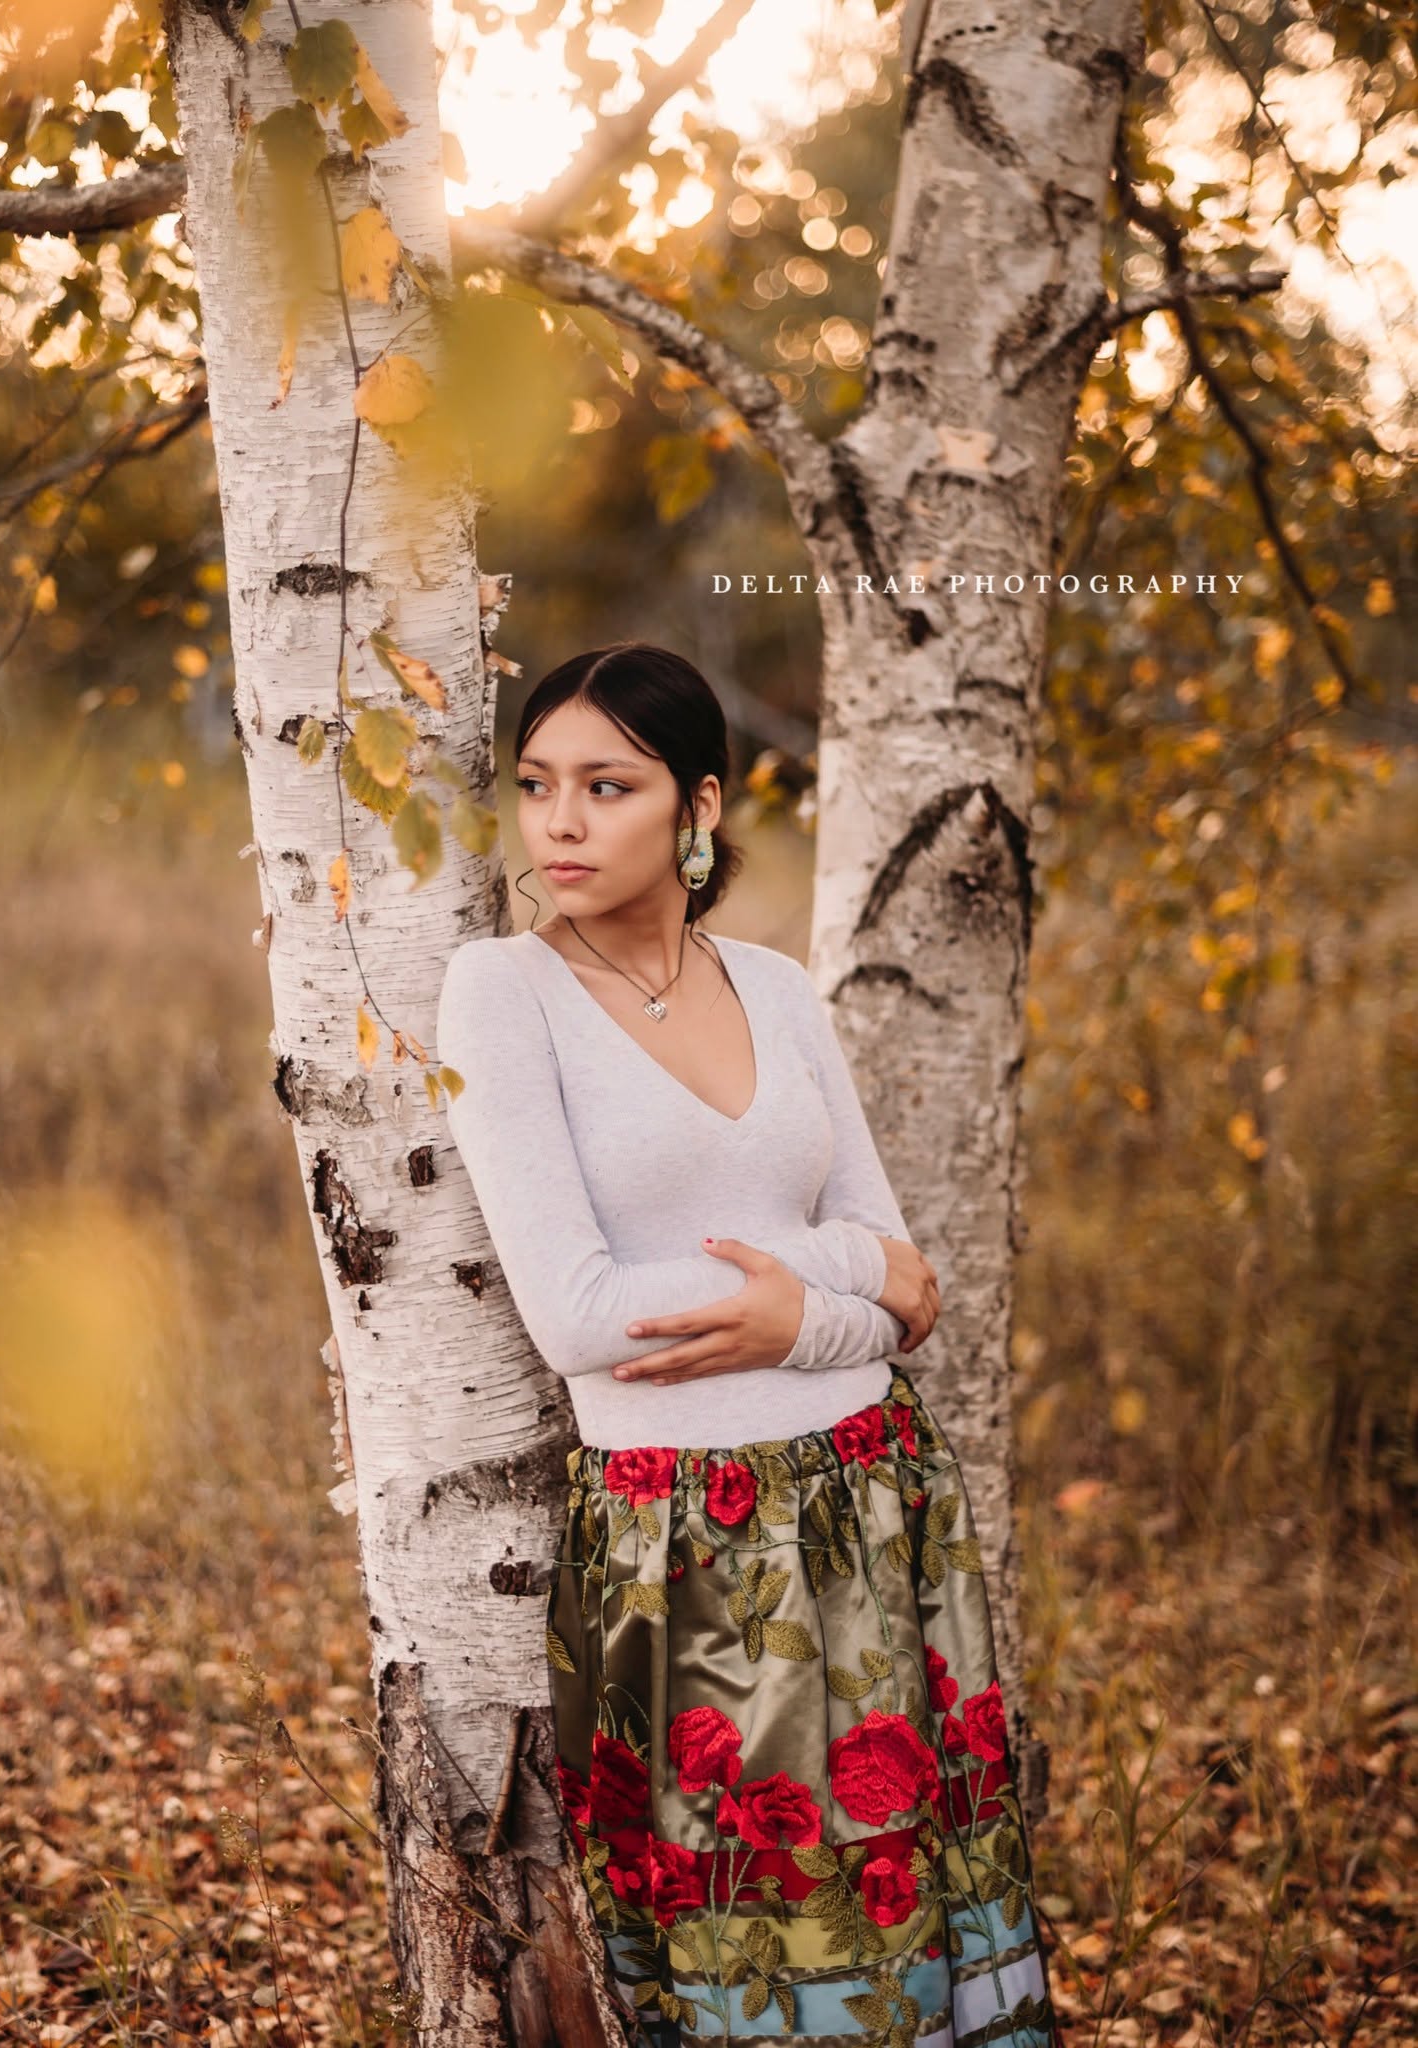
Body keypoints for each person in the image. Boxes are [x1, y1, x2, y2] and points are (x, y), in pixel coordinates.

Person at [436, 643, 1057, 2047]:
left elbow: (905, 1285)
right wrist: (830, 1298)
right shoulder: (501, 991)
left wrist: (808, 1303)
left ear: (697, 806)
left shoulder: (775, 988)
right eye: (537, 787)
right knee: (757, 1947)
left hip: (869, 1502)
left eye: (609, 784)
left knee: (915, 1909)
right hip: (689, 1548)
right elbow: (578, 1319)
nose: (561, 823)